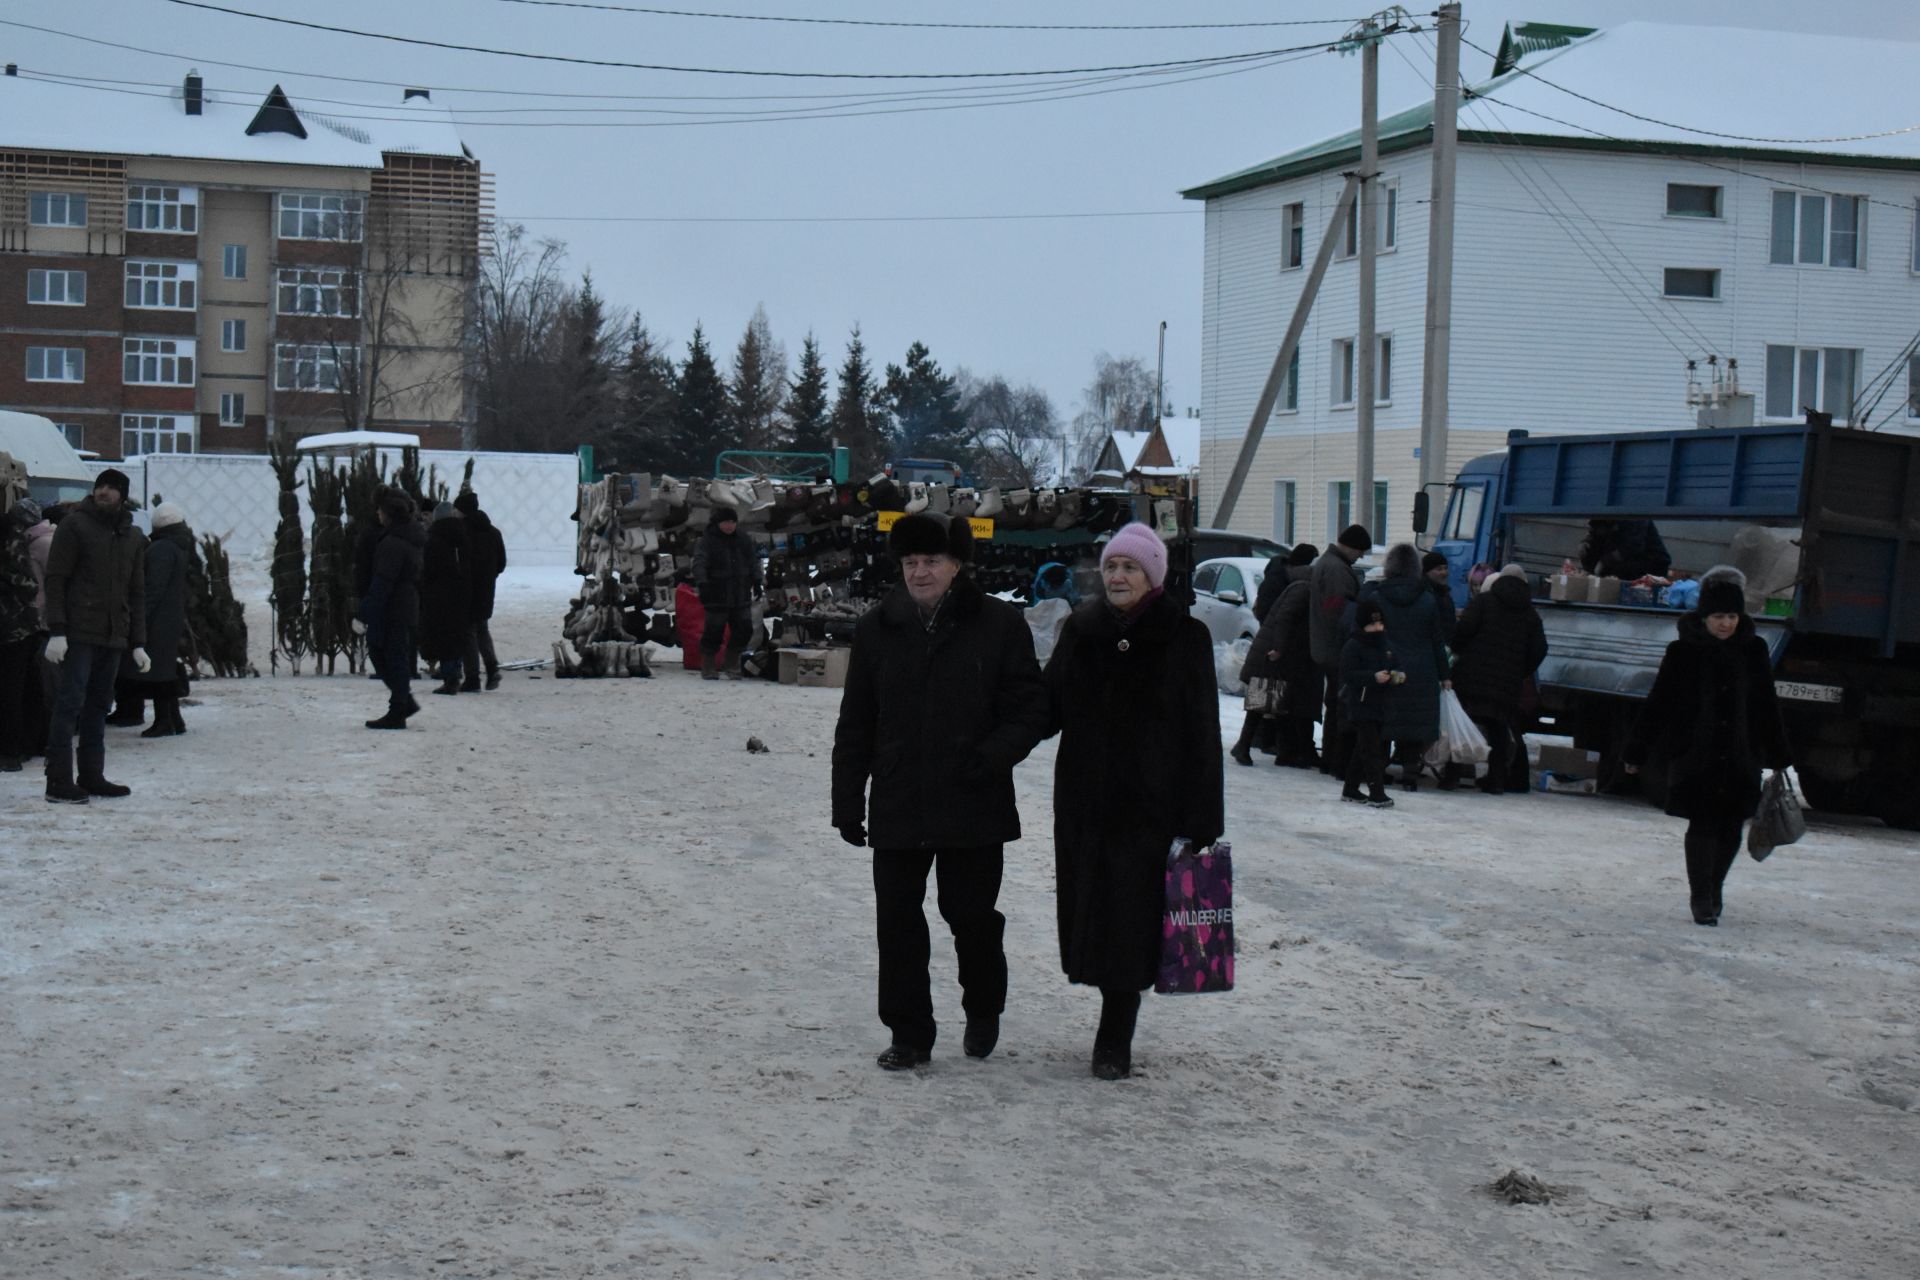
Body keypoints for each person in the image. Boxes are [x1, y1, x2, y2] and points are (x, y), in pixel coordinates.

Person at [831, 511, 1048, 1071]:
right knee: (898, 919)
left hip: (973, 798)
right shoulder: (878, 628)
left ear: (956, 566)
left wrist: (991, 757)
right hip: (900, 795)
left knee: (970, 915)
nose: (920, 572)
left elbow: (1031, 710)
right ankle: (909, 1032)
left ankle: (983, 1006)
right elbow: (856, 721)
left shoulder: (999, 624)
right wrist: (847, 800)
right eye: (910, 563)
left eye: (931, 561)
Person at [1043, 523, 1223, 1080]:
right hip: (1085, 803)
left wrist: (1202, 819)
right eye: (1111, 567)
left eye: (1130, 568)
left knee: (1131, 920)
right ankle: (1110, 1010)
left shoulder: (1185, 638)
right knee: (1091, 912)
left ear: (1153, 577)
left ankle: (1114, 1035)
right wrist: (985, 743)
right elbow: (1045, 706)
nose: (1118, 576)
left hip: (1152, 806)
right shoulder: (1082, 630)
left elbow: (1203, 732)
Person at [1623, 574, 1791, 926]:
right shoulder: (1683, 651)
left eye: (1732, 617)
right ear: (1704, 617)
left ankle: (1715, 889)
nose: (1726, 624)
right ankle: (1700, 896)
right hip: (1695, 755)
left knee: (1731, 826)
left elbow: (1765, 705)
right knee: (1702, 824)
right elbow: (1659, 703)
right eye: (1719, 617)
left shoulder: (1754, 650)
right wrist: (1636, 751)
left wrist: (1777, 754)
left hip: (1741, 755)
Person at [42, 468, 148, 803]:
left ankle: (91, 774)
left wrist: (139, 642)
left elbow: (137, 592)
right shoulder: (75, 526)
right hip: (78, 633)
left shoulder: (132, 536)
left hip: (113, 635)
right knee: (69, 703)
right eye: (100, 486)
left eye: (111, 488)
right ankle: (58, 780)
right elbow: (56, 579)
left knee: (99, 706)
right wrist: (57, 630)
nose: (103, 492)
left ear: (123, 494)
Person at [1446, 564, 1547, 794]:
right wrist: (1521, 670)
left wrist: (1460, 654)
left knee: (1462, 726)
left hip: (1471, 677)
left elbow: (1463, 630)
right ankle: (1496, 781)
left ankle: (1452, 775)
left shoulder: (1483, 602)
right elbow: (1540, 649)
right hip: (1506, 684)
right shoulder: (1530, 614)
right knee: (1499, 731)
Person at [1359, 544, 1451, 790]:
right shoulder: (1427, 599)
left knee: (1383, 721)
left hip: (1387, 667)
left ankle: (1377, 770)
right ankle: (1410, 774)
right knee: (1414, 724)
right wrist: (1445, 675)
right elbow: (1436, 640)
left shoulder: (1377, 598)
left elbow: (1369, 636)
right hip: (1421, 669)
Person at [1231, 542, 1317, 766]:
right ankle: (1243, 746)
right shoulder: (1302, 587)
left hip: (1274, 651)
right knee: (1264, 700)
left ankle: (1280, 751)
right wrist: (1277, 649)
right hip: (1272, 654)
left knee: (1274, 702)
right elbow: (1284, 618)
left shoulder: (1295, 583)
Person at [356, 493, 426, 730]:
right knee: (391, 655)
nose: (377, 514)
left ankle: (399, 707)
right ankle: (402, 702)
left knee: (387, 655)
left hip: (392, 608)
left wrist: (365, 610)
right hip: (405, 605)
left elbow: (384, 580)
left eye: (381, 511)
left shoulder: (393, 543)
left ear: (389, 515)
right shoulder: (408, 537)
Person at [128, 502, 197, 739]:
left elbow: (152, 588)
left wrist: (139, 617)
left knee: (159, 672)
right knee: (165, 669)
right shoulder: (179, 545)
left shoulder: (161, 549)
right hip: (171, 616)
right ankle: (174, 719)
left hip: (158, 619)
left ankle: (164, 720)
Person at [1310, 524, 1372, 780]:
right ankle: (1336, 760)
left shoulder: (1328, 563)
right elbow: (1340, 610)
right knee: (1340, 704)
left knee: (1334, 701)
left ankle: (1330, 759)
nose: (1360, 557)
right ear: (1350, 546)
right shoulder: (1337, 570)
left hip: (1325, 643)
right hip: (1336, 646)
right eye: (1359, 551)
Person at [1339, 599, 1400, 808]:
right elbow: (1348, 675)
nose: (1376, 629)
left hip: (1380, 703)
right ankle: (1377, 792)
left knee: (1363, 747)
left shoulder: (1386, 645)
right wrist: (1372, 677)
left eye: (1380, 624)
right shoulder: (1354, 645)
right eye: (1372, 625)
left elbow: (1395, 664)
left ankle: (1350, 788)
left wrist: (1395, 676)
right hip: (1362, 703)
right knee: (1371, 750)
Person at [691, 505, 761, 680]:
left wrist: (758, 580)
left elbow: (753, 561)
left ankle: (731, 664)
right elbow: (699, 563)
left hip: (740, 593)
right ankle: (708, 666)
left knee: (744, 629)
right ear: (717, 523)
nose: (729, 526)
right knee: (714, 630)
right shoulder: (707, 541)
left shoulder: (743, 539)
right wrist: (702, 583)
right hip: (716, 593)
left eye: (732, 522)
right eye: (726, 522)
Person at [0, 498, 42, 770]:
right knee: (20, 689)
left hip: (12, 627)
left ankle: (14, 750)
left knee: (13, 690)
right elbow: (28, 584)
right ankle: (20, 748)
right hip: (18, 626)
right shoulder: (13, 540)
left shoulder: (10, 538)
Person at [454, 490, 507, 691]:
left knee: (468, 632)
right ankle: (492, 668)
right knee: (482, 629)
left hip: (466, 588)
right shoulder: (494, 532)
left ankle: (472, 677)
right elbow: (501, 563)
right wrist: (489, 576)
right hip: (486, 588)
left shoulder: (462, 533)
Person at [420, 501, 472, 695]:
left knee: (443, 636)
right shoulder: (463, 536)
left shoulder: (434, 538)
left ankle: (449, 677)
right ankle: (455, 673)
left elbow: (429, 570)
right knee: (456, 635)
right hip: (462, 593)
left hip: (439, 595)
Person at [1581, 518, 1672, 582]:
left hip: (1652, 564)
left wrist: (1606, 561)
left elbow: (1634, 546)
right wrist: (1586, 550)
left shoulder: (1634, 517)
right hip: (1624, 562)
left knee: (1619, 569)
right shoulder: (1600, 522)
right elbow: (1594, 541)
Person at [1422, 550, 1458, 644]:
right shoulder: (1424, 594)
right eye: (1439, 569)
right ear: (1427, 572)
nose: (1444, 572)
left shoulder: (1444, 593)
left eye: (1445, 568)